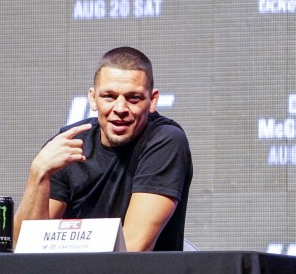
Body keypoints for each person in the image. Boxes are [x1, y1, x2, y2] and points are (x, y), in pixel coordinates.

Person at [13, 46, 192, 251]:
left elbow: (133, 247)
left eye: (133, 98)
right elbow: (23, 247)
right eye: (109, 96)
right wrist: (38, 173)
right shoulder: (70, 142)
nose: (120, 109)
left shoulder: (165, 140)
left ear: (152, 101)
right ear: (93, 98)